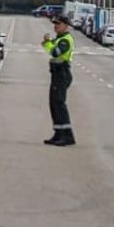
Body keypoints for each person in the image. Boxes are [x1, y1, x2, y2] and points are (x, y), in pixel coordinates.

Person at [44, 14, 75, 146]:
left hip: (62, 73)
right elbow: (50, 51)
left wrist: (48, 43)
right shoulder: (59, 38)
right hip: (57, 74)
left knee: (59, 104)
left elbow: (56, 52)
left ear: (65, 26)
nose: (56, 26)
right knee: (54, 104)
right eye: (55, 24)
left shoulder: (65, 40)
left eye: (58, 24)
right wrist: (48, 43)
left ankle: (67, 136)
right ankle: (58, 132)